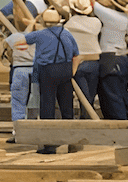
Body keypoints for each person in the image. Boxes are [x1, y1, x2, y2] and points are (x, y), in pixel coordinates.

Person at [11, 8, 78, 154]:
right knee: (67, 109)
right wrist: (72, 71)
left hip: (48, 71)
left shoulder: (41, 34)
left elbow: (21, 42)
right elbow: (76, 55)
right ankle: (72, 143)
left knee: (47, 108)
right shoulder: (67, 34)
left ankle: (49, 145)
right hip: (65, 70)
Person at [64, 0, 103, 119]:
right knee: (90, 96)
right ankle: (87, 119)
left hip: (77, 64)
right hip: (93, 62)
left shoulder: (68, 25)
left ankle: (85, 119)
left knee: (83, 97)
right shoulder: (96, 23)